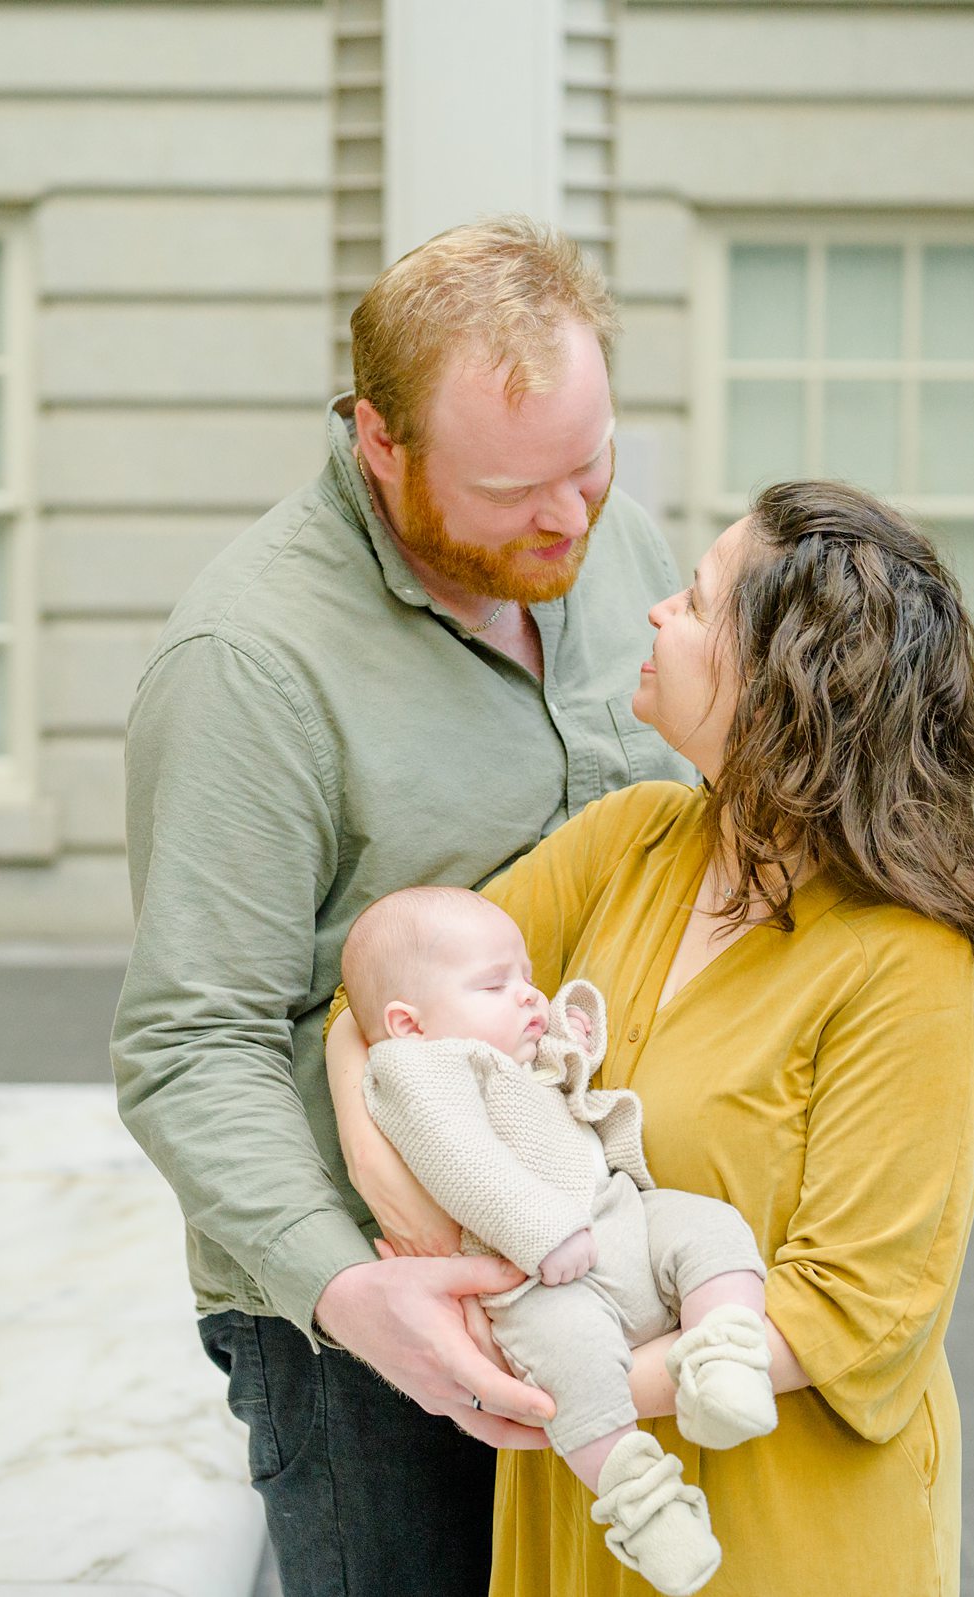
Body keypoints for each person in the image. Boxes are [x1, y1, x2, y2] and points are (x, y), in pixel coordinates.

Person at [328, 479, 974, 1594]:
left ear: (789, 684)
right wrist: (423, 1215)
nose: (659, 612)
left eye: (700, 600)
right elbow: (380, 1004)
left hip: (778, 1528)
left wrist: (545, 1372)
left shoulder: (913, 964)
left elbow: (850, 1310)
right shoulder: (630, 840)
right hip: (586, 1510)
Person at [109, 214, 692, 1597]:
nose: (569, 519)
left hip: (600, 1251)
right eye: (513, 491)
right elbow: (193, 1042)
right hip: (373, 1327)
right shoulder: (246, 665)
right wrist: (350, 1290)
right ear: (382, 441)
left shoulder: (627, 544)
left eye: (590, 463)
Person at [341, 885, 777, 1595]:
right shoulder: (416, 1069)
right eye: (496, 982)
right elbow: (463, 1161)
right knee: (574, 1375)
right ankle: (644, 1504)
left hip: (620, 1216)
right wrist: (540, 1233)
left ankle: (725, 1351)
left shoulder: (501, 1052)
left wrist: (569, 1032)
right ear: (407, 1022)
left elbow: (564, 1081)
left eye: (526, 975)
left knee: (710, 1225)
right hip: (533, 1277)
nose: (526, 994)